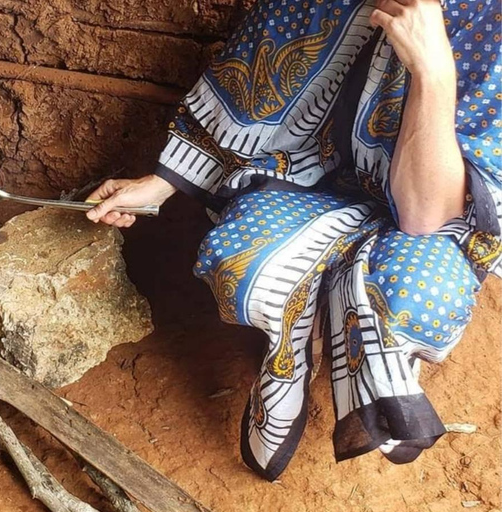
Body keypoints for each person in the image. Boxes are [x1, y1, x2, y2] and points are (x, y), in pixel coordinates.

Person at [84, 0, 501, 481]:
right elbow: (256, 84)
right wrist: (157, 186)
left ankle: (370, 351)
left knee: (413, 296)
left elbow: (428, 215)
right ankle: (295, 350)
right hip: (311, 181)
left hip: (431, 219)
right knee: (241, 262)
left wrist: (433, 70)